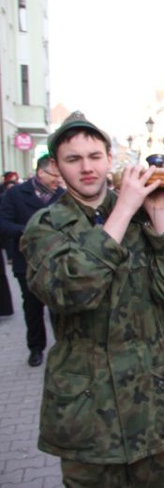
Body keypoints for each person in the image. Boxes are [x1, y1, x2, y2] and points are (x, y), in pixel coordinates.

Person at [19, 111, 164, 486]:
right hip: (89, 415)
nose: (87, 168)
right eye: (73, 159)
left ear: (109, 159)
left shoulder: (141, 216)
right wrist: (124, 209)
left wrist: (158, 215)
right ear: (56, 166)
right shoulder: (46, 226)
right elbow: (71, 292)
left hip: (154, 401)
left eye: (95, 157)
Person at [0, 154, 65, 366]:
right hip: (27, 263)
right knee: (32, 308)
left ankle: (64, 348)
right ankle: (36, 348)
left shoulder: (64, 196)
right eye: (55, 175)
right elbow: (3, 224)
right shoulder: (16, 194)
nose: (58, 180)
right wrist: (29, 231)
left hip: (58, 263)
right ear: (41, 172)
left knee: (60, 309)